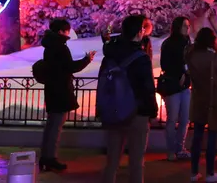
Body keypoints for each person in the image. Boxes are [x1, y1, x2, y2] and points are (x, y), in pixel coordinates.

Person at [102, 14, 157, 183]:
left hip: (114, 110)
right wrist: (151, 111)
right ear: (138, 31)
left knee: (112, 160)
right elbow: (147, 88)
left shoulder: (110, 53)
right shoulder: (141, 58)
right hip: (137, 113)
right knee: (136, 160)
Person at [39, 17, 96, 172]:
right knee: (56, 126)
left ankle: (46, 157)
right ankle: (50, 158)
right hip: (60, 90)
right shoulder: (60, 47)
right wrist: (87, 60)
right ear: (61, 31)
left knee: (51, 126)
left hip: (52, 89)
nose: (68, 33)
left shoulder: (49, 46)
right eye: (67, 30)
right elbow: (69, 67)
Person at [187, 26, 217, 183]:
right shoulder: (214, 56)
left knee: (197, 137)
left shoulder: (191, 54)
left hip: (197, 97)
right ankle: (210, 172)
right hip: (212, 99)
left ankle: (194, 172)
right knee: (213, 135)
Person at [159, 16, 192, 161]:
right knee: (172, 118)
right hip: (172, 84)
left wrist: (187, 73)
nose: (187, 28)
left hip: (185, 85)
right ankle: (171, 149)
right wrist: (180, 72)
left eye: (188, 25)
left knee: (185, 118)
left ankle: (180, 148)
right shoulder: (169, 43)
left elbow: (189, 61)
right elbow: (165, 64)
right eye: (185, 25)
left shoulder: (187, 42)